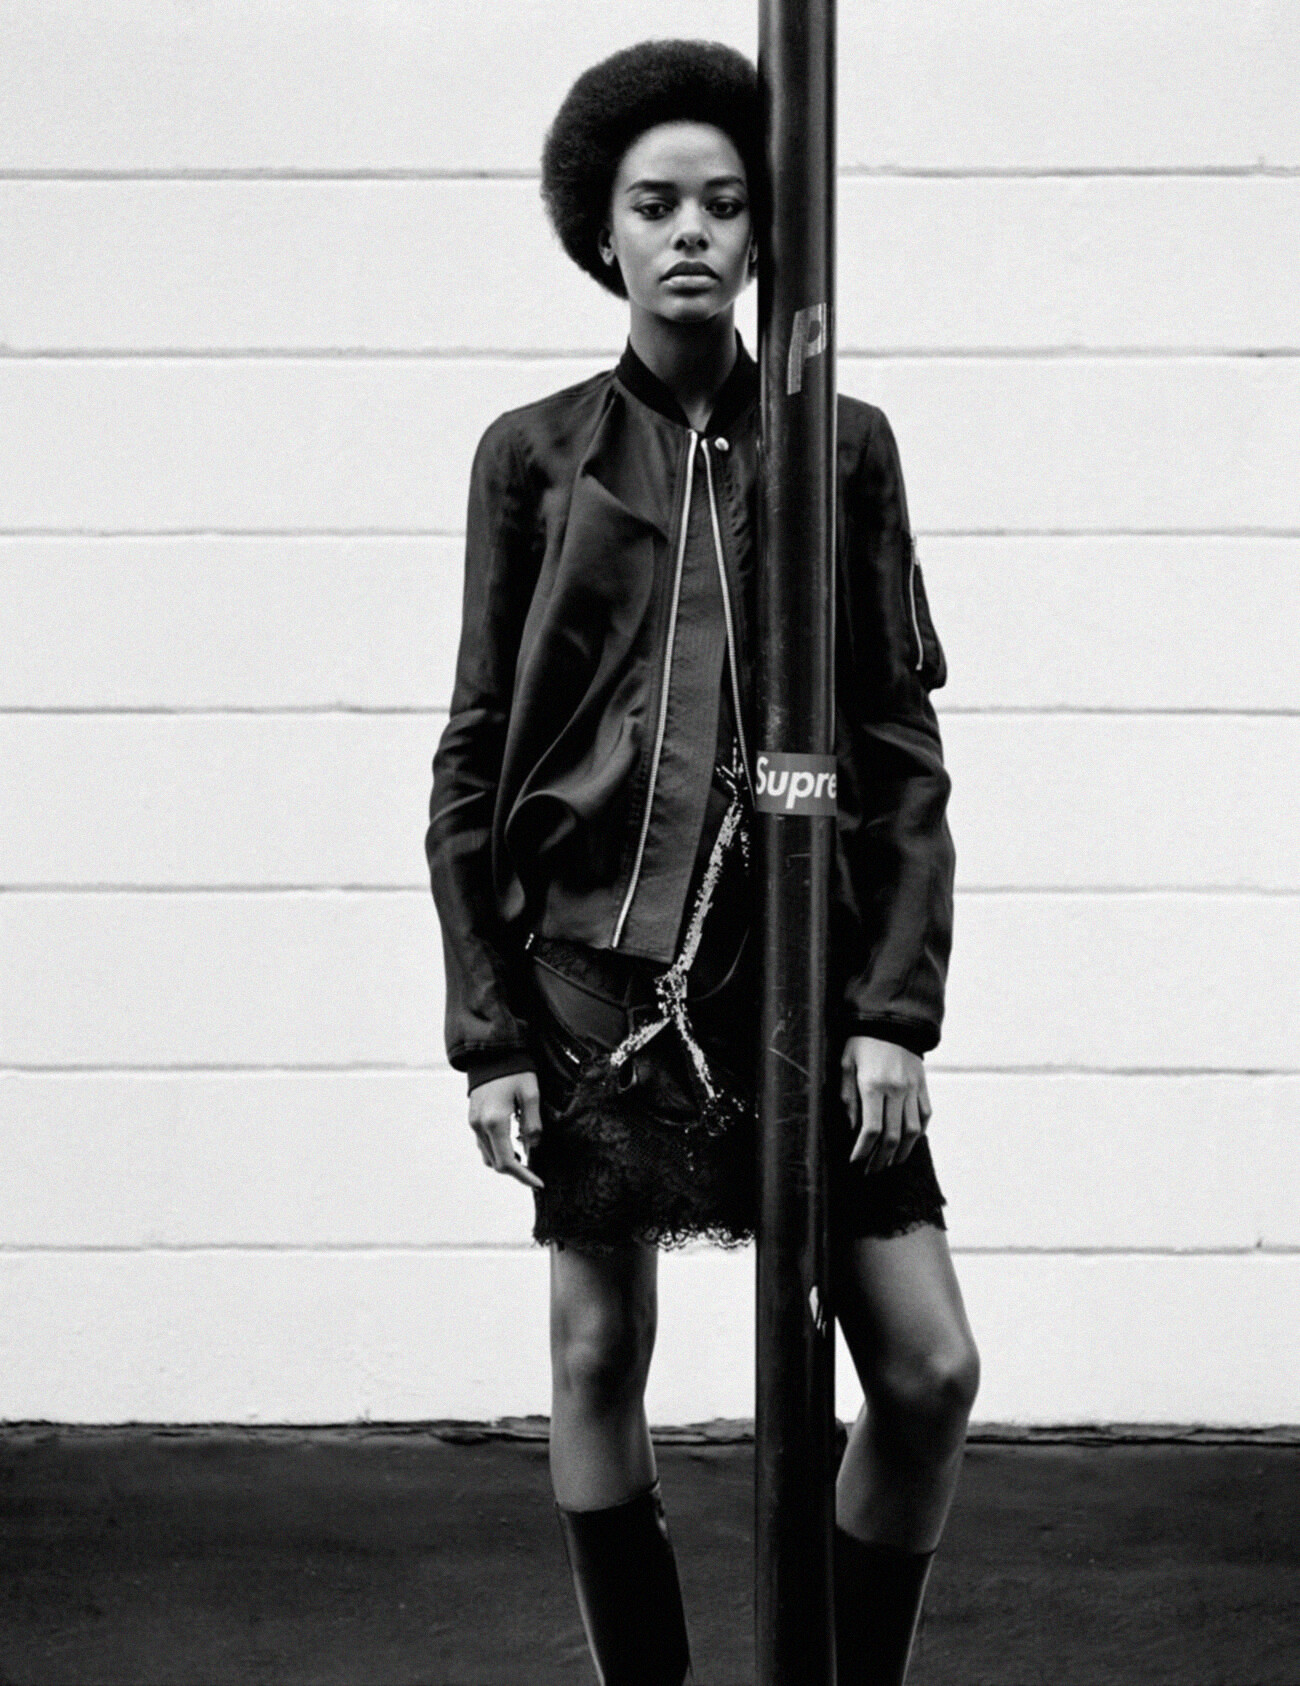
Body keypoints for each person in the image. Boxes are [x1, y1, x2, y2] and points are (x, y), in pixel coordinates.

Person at [426, 39, 980, 1686]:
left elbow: (900, 754)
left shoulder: (845, 447)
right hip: (598, 991)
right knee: (598, 1353)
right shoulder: (532, 456)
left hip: (801, 979)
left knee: (929, 1366)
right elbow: (472, 759)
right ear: (601, 231)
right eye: (655, 204)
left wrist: (893, 1011)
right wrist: (489, 1033)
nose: (690, 233)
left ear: (765, 233)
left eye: (725, 205)